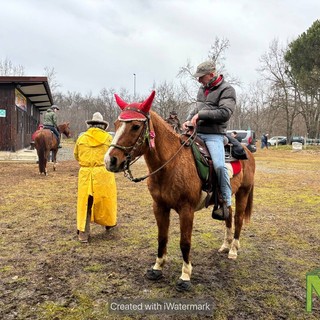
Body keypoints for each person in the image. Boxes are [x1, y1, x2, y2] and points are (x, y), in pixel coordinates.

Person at [182, 60, 236, 220]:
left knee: (219, 166)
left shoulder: (227, 90)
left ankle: (225, 202)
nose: (198, 80)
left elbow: (225, 112)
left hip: (214, 135)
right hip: (196, 132)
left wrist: (201, 115)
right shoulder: (202, 89)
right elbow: (197, 108)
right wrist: (189, 119)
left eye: (201, 77)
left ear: (211, 75)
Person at [74, 112, 117, 243]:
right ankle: (109, 224)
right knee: (106, 199)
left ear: (91, 125)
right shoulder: (109, 139)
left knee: (85, 203)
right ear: (102, 125)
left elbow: (76, 155)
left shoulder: (81, 138)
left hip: (86, 174)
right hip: (103, 173)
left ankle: (83, 234)